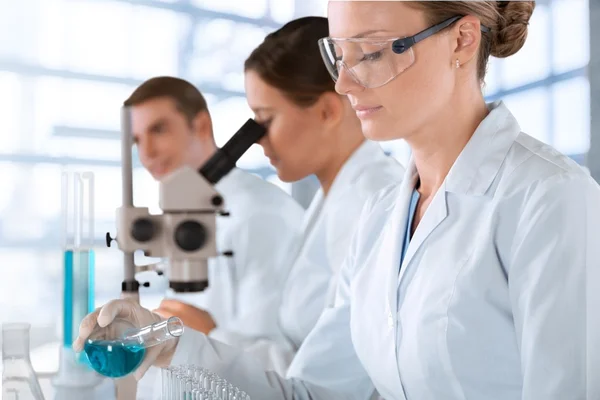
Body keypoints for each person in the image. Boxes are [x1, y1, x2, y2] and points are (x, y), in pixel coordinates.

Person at [76, 1, 600, 399]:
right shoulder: (382, 220)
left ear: (462, 40)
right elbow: (312, 391)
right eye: (339, 55)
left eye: (370, 52)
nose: (345, 83)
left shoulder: (549, 200)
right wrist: (167, 342)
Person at [152, 16, 404, 376]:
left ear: (327, 111)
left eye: (265, 119)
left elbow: (339, 380)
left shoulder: (372, 202)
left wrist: (210, 337)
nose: (257, 138)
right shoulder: (334, 197)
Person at [122, 76, 304, 344]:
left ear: (202, 126)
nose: (147, 153)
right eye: (137, 140)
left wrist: (209, 336)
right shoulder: (183, 212)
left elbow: (279, 361)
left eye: (159, 130)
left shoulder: (262, 213)